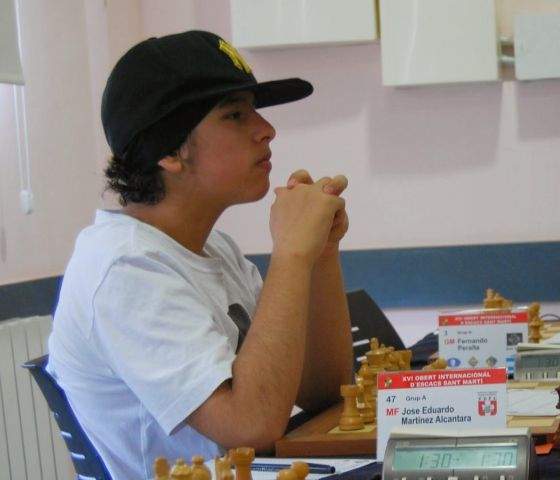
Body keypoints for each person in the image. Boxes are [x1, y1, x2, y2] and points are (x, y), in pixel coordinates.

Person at [47, 30, 353, 479]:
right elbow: (250, 429)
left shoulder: (213, 249)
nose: (266, 129)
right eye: (235, 114)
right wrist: (290, 254)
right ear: (169, 150)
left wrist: (320, 254)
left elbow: (324, 391)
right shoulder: (124, 268)